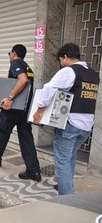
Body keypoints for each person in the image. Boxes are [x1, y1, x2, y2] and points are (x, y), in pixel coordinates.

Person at [33, 43, 99, 195]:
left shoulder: (69, 71)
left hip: (70, 125)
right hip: (86, 127)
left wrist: (39, 110)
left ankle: (65, 198)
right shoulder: (93, 74)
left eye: (60, 61)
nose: (61, 64)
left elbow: (49, 88)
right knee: (70, 158)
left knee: (62, 162)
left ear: (65, 57)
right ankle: (67, 187)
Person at [0, 44, 41, 182]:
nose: (10, 56)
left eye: (9, 53)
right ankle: (34, 171)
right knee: (26, 139)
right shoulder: (27, 66)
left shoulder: (15, 63)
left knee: (1, 132)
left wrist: (10, 98)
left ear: (14, 53)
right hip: (24, 110)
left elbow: (23, 80)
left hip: (12, 109)